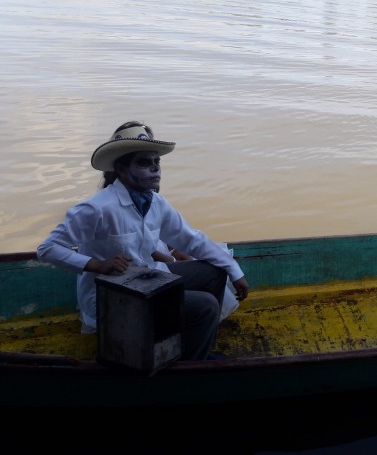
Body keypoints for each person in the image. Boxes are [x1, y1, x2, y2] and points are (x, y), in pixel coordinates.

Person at [37, 121, 249, 360]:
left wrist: (235, 271)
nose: (155, 169)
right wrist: (97, 265)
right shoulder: (97, 208)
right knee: (205, 306)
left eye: (156, 162)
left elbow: (192, 239)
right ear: (122, 169)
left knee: (215, 273)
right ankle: (189, 365)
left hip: (149, 280)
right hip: (112, 298)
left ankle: (191, 345)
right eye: (144, 163)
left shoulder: (156, 203)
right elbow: (48, 249)